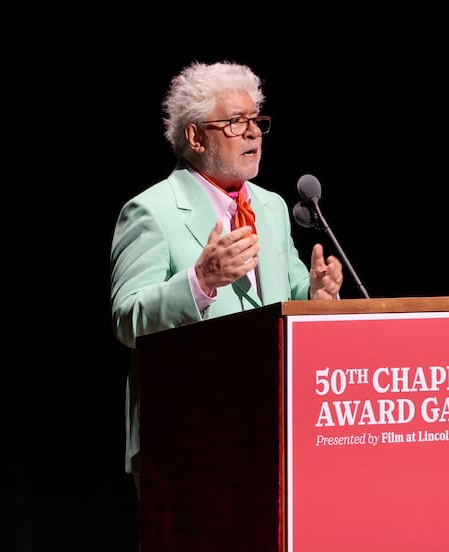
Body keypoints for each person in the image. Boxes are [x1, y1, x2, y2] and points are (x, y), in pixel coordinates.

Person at [110, 59, 344, 479]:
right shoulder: (150, 211)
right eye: (236, 122)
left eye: (256, 120)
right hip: (185, 435)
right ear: (196, 136)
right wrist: (198, 283)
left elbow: (287, 292)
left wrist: (317, 295)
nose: (253, 132)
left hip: (273, 424)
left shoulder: (269, 206)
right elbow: (127, 320)